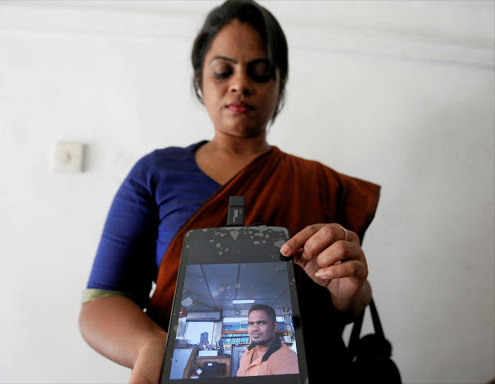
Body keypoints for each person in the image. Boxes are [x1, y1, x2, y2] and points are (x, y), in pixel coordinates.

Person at [78, 1, 380, 383]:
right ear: (199, 80)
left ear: (279, 85)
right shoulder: (156, 173)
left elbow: (343, 307)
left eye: (259, 72)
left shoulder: (323, 184)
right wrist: (154, 348)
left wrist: (349, 289)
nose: (239, 84)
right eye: (223, 70)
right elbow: (102, 300)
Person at [236, 304, 299, 377]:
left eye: (261, 323)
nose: (254, 328)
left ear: (275, 326)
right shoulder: (248, 352)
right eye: (251, 323)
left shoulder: (286, 358)